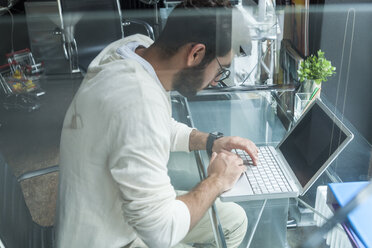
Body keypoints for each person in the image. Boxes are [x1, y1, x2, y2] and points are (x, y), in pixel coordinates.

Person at [56, 1, 258, 247]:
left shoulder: (133, 50)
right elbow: (162, 232)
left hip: (114, 213)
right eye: (220, 70)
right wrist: (217, 181)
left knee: (234, 220)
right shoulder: (138, 101)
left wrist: (211, 141)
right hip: (109, 240)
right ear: (196, 54)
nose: (217, 81)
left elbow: (153, 125)